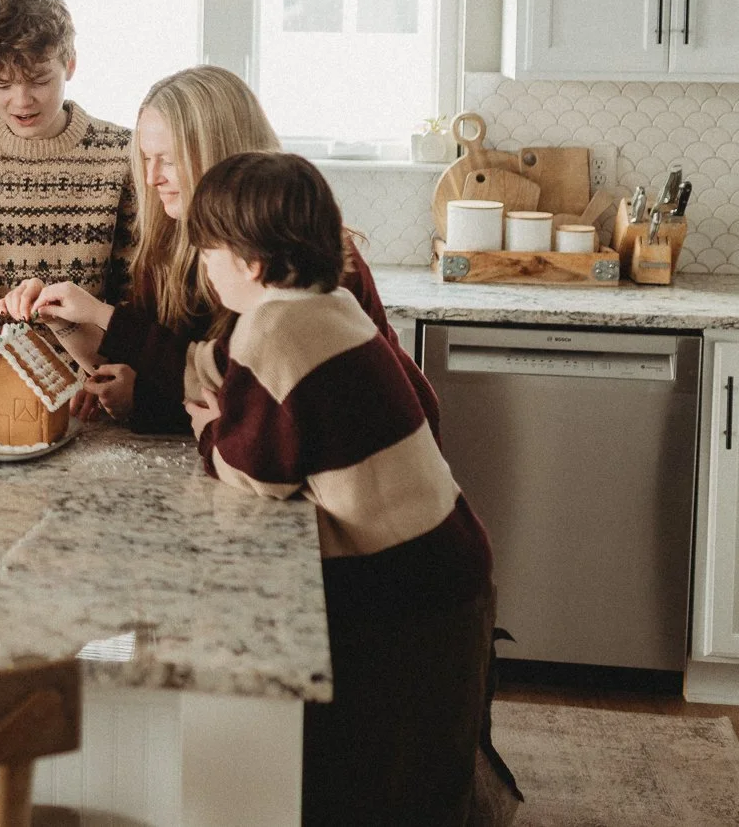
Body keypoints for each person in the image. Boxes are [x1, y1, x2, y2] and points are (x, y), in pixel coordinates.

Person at [181, 151, 509, 827]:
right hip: (450, 560)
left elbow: (256, 470)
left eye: (208, 249)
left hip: (399, 593)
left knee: (383, 777)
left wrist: (210, 429)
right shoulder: (327, 302)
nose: (202, 264)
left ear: (249, 263)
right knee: (430, 761)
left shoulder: (270, 326)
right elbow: (262, 381)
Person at [0, 65, 435, 430]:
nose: (151, 179)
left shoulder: (301, 255)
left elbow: (270, 409)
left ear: (219, 157)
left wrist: (150, 402)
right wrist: (69, 324)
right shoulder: (173, 235)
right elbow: (161, 359)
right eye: (146, 159)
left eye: (168, 160)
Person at [0, 0, 135, 384]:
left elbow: (131, 300)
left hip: (80, 388)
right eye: (2, 85)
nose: (21, 101)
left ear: (70, 64)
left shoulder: (120, 155)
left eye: (38, 81)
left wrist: (111, 370)